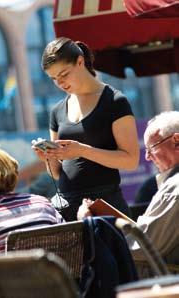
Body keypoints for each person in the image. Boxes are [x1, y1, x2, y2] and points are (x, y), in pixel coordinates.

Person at [33, 37, 139, 221]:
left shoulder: (114, 101)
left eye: (64, 74)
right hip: (68, 208)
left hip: (105, 204)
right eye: (53, 78)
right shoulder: (57, 110)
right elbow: (57, 173)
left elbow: (131, 160)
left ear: (80, 62)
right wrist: (47, 158)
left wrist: (82, 150)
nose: (60, 83)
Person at [78, 111, 179, 264]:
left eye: (151, 148)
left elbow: (141, 246)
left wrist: (90, 224)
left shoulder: (174, 188)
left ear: (176, 141)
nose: (147, 157)